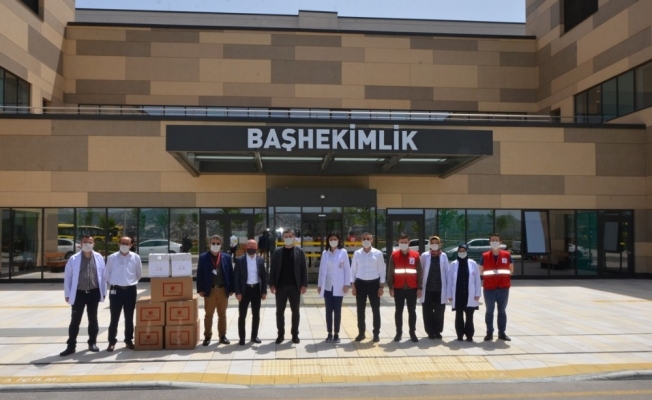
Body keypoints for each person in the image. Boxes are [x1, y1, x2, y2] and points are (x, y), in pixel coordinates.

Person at [60, 235, 107, 356]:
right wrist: (67, 294)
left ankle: (92, 343)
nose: (87, 244)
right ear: (80, 244)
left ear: (94, 244)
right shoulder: (74, 259)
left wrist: (103, 291)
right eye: (85, 242)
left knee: (93, 319)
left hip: (94, 293)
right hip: (78, 294)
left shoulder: (99, 257)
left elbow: (103, 276)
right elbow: (68, 277)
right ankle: (71, 346)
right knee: (75, 320)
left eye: (90, 242)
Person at [269, 228, 308, 344]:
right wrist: (272, 284)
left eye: (290, 236)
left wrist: (304, 285)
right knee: (279, 311)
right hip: (280, 287)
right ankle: (280, 334)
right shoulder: (277, 252)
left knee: (295, 311)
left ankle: (295, 335)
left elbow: (304, 269)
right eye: (286, 237)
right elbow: (273, 269)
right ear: (282, 238)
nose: (288, 238)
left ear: (294, 237)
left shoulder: (300, 252)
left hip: (295, 287)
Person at [104, 236, 142, 351]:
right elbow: (107, 274)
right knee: (114, 317)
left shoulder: (136, 257)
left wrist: (129, 282)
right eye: (123, 243)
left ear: (131, 245)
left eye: (127, 243)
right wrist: (116, 283)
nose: (125, 245)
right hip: (116, 291)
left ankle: (128, 340)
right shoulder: (112, 258)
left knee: (129, 317)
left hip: (130, 290)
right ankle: (111, 341)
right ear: (118, 244)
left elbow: (138, 274)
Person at [197, 234, 234, 346]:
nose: (215, 245)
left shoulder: (226, 257)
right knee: (209, 315)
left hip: (223, 289)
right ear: (209, 244)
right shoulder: (203, 257)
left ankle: (222, 336)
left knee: (222, 315)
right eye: (213, 243)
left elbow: (230, 274)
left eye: (218, 243)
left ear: (221, 245)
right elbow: (199, 274)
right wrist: (200, 288)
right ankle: (207, 336)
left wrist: (232, 288)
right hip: (210, 290)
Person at [387, 233, 423, 343]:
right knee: (398, 311)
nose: (403, 244)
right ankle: (399, 333)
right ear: (398, 243)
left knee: (412, 311)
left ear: (409, 242)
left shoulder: (415, 255)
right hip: (399, 288)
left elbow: (420, 272)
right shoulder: (394, 256)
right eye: (401, 242)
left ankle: (412, 332)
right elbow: (390, 272)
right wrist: (391, 287)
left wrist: (420, 287)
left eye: (405, 242)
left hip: (412, 288)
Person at [350, 232, 385, 342]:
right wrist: (353, 285)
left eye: (368, 239)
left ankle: (376, 333)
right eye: (364, 238)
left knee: (376, 310)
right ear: (361, 240)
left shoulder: (378, 253)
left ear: (372, 240)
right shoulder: (357, 253)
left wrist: (381, 286)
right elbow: (353, 270)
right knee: (360, 310)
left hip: (374, 284)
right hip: (360, 284)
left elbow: (382, 270)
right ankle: (361, 333)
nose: (366, 240)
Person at [317, 232, 351, 344]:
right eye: (331, 239)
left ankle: (336, 334)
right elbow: (322, 270)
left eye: (335, 239)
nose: (333, 241)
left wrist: (347, 284)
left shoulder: (343, 252)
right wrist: (320, 285)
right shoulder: (325, 253)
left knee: (337, 311)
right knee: (328, 311)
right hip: (327, 286)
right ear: (328, 241)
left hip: (339, 286)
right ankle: (329, 333)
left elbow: (347, 269)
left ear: (338, 240)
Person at [479, 233, 514, 341]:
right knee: (489, 311)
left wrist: (503, 275)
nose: (494, 242)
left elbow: (511, 269)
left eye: (496, 240)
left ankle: (502, 333)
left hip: (503, 288)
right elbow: (481, 270)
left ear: (500, 242)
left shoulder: (506, 255)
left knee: (502, 311)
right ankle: (489, 333)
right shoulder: (485, 256)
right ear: (490, 242)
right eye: (492, 240)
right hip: (489, 288)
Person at [233, 239, 267, 345]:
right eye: (249, 246)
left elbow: (264, 277)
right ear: (246, 247)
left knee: (256, 315)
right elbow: (236, 277)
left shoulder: (260, 260)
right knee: (242, 315)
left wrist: (264, 291)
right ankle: (242, 338)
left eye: (253, 246)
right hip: (244, 290)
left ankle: (254, 336)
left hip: (256, 290)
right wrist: (237, 292)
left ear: (257, 248)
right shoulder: (239, 260)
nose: (251, 248)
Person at [447, 244, 481, 342]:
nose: (462, 253)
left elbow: (477, 280)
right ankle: (460, 335)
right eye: (460, 251)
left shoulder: (473, 263)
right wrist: (449, 294)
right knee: (459, 316)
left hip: (470, 294)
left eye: (463, 251)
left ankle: (469, 335)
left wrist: (477, 293)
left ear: (467, 251)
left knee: (469, 316)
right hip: (458, 294)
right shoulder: (453, 264)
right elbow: (450, 280)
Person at [419, 235, 449, 340]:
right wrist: (419, 287)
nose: (434, 245)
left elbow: (447, 272)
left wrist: (448, 289)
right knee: (427, 312)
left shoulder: (444, 256)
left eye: (436, 243)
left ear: (440, 244)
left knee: (439, 312)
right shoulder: (424, 256)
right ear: (429, 244)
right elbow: (420, 270)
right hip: (427, 289)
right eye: (432, 243)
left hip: (440, 289)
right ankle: (430, 331)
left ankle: (438, 331)